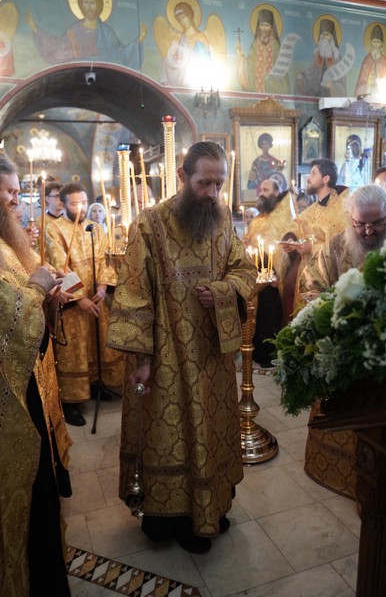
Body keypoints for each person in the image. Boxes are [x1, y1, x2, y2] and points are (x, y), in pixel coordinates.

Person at [106, 141, 256, 554]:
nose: (212, 192)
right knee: (168, 434)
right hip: (166, 356)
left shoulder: (222, 220)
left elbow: (243, 269)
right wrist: (141, 358)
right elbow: (134, 292)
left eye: (218, 183)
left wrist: (224, 291)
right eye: (204, 182)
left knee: (210, 430)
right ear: (182, 177)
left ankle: (208, 510)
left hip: (211, 354)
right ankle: (165, 517)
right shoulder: (149, 225)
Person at [0, 153, 73, 596]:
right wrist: (37, 289)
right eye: (8, 192)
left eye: (16, 191)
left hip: (26, 385)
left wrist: (46, 294)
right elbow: (7, 321)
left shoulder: (7, 244)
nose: (15, 200)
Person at [298, 184, 386, 500]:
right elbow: (311, 286)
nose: (368, 231)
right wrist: (336, 312)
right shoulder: (335, 247)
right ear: (350, 219)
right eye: (360, 223)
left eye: (377, 223)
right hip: (343, 349)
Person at [44, 182, 123, 426]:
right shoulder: (53, 229)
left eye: (84, 202)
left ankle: (95, 384)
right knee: (75, 351)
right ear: (63, 203)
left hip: (97, 300)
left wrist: (102, 287)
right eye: (75, 203)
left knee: (96, 344)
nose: (81, 207)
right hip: (72, 306)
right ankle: (70, 402)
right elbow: (60, 265)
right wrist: (81, 298)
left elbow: (106, 260)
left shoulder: (95, 228)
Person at [279, 158, 348, 319]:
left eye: (313, 173)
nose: (308, 178)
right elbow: (296, 228)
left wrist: (312, 248)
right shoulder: (312, 209)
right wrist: (290, 242)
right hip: (306, 275)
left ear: (326, 178)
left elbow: (342, 245)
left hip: (328, 279)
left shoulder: (341, 208)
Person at [244, 178, 292, 366]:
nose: (261, 193)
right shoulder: (258, 219)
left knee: (271, 314)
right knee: (257, 312)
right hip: (256, 274)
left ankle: (269, 353)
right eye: (261, 190)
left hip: (274, 275)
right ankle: (256, 350)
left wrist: (279, 275)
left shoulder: (284, 218)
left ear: (276, 192)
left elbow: (286, 249)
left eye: (266, 190)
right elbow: (249, 241)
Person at [26, 0, 146, 67]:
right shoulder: (75, 29)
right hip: (76, 72)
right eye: (86, 2)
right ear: (81, 6)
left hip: (104, 73)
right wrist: (36, 29)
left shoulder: (106, 32)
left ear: (98, 7)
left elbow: (119, 55)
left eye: (92, 3)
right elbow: (59, 47)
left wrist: (139, 40)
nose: (88, 7)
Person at [237, 7, 290, 94]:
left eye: (266, 25)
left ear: (271, 28)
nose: (264, 28)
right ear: (259, 27)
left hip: (272, 84)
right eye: (262, 25)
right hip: (257, 84)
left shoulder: (275, 44)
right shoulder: (255, 43)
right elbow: (250, 62)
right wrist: (241, 58)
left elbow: (280, 65)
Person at [296, 17, 347, 97]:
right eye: (322, 34)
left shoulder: (336, 57)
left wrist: (333, 85)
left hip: (330, 98)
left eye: (327, 35)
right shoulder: (316, 55)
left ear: (331, 38)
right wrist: (302, 77)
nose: (324, 38)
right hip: (317, 97)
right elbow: (310, 77)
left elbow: (342, 85)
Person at [355, 23, 386, 100]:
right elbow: (360, 83)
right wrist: (368, 84)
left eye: (378, 42)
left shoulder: (385, 61)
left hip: (381, 97)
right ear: (371, 43)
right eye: (374, 42)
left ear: (381, 44)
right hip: (368, 94)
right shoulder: (367, 59)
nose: (376, 45)